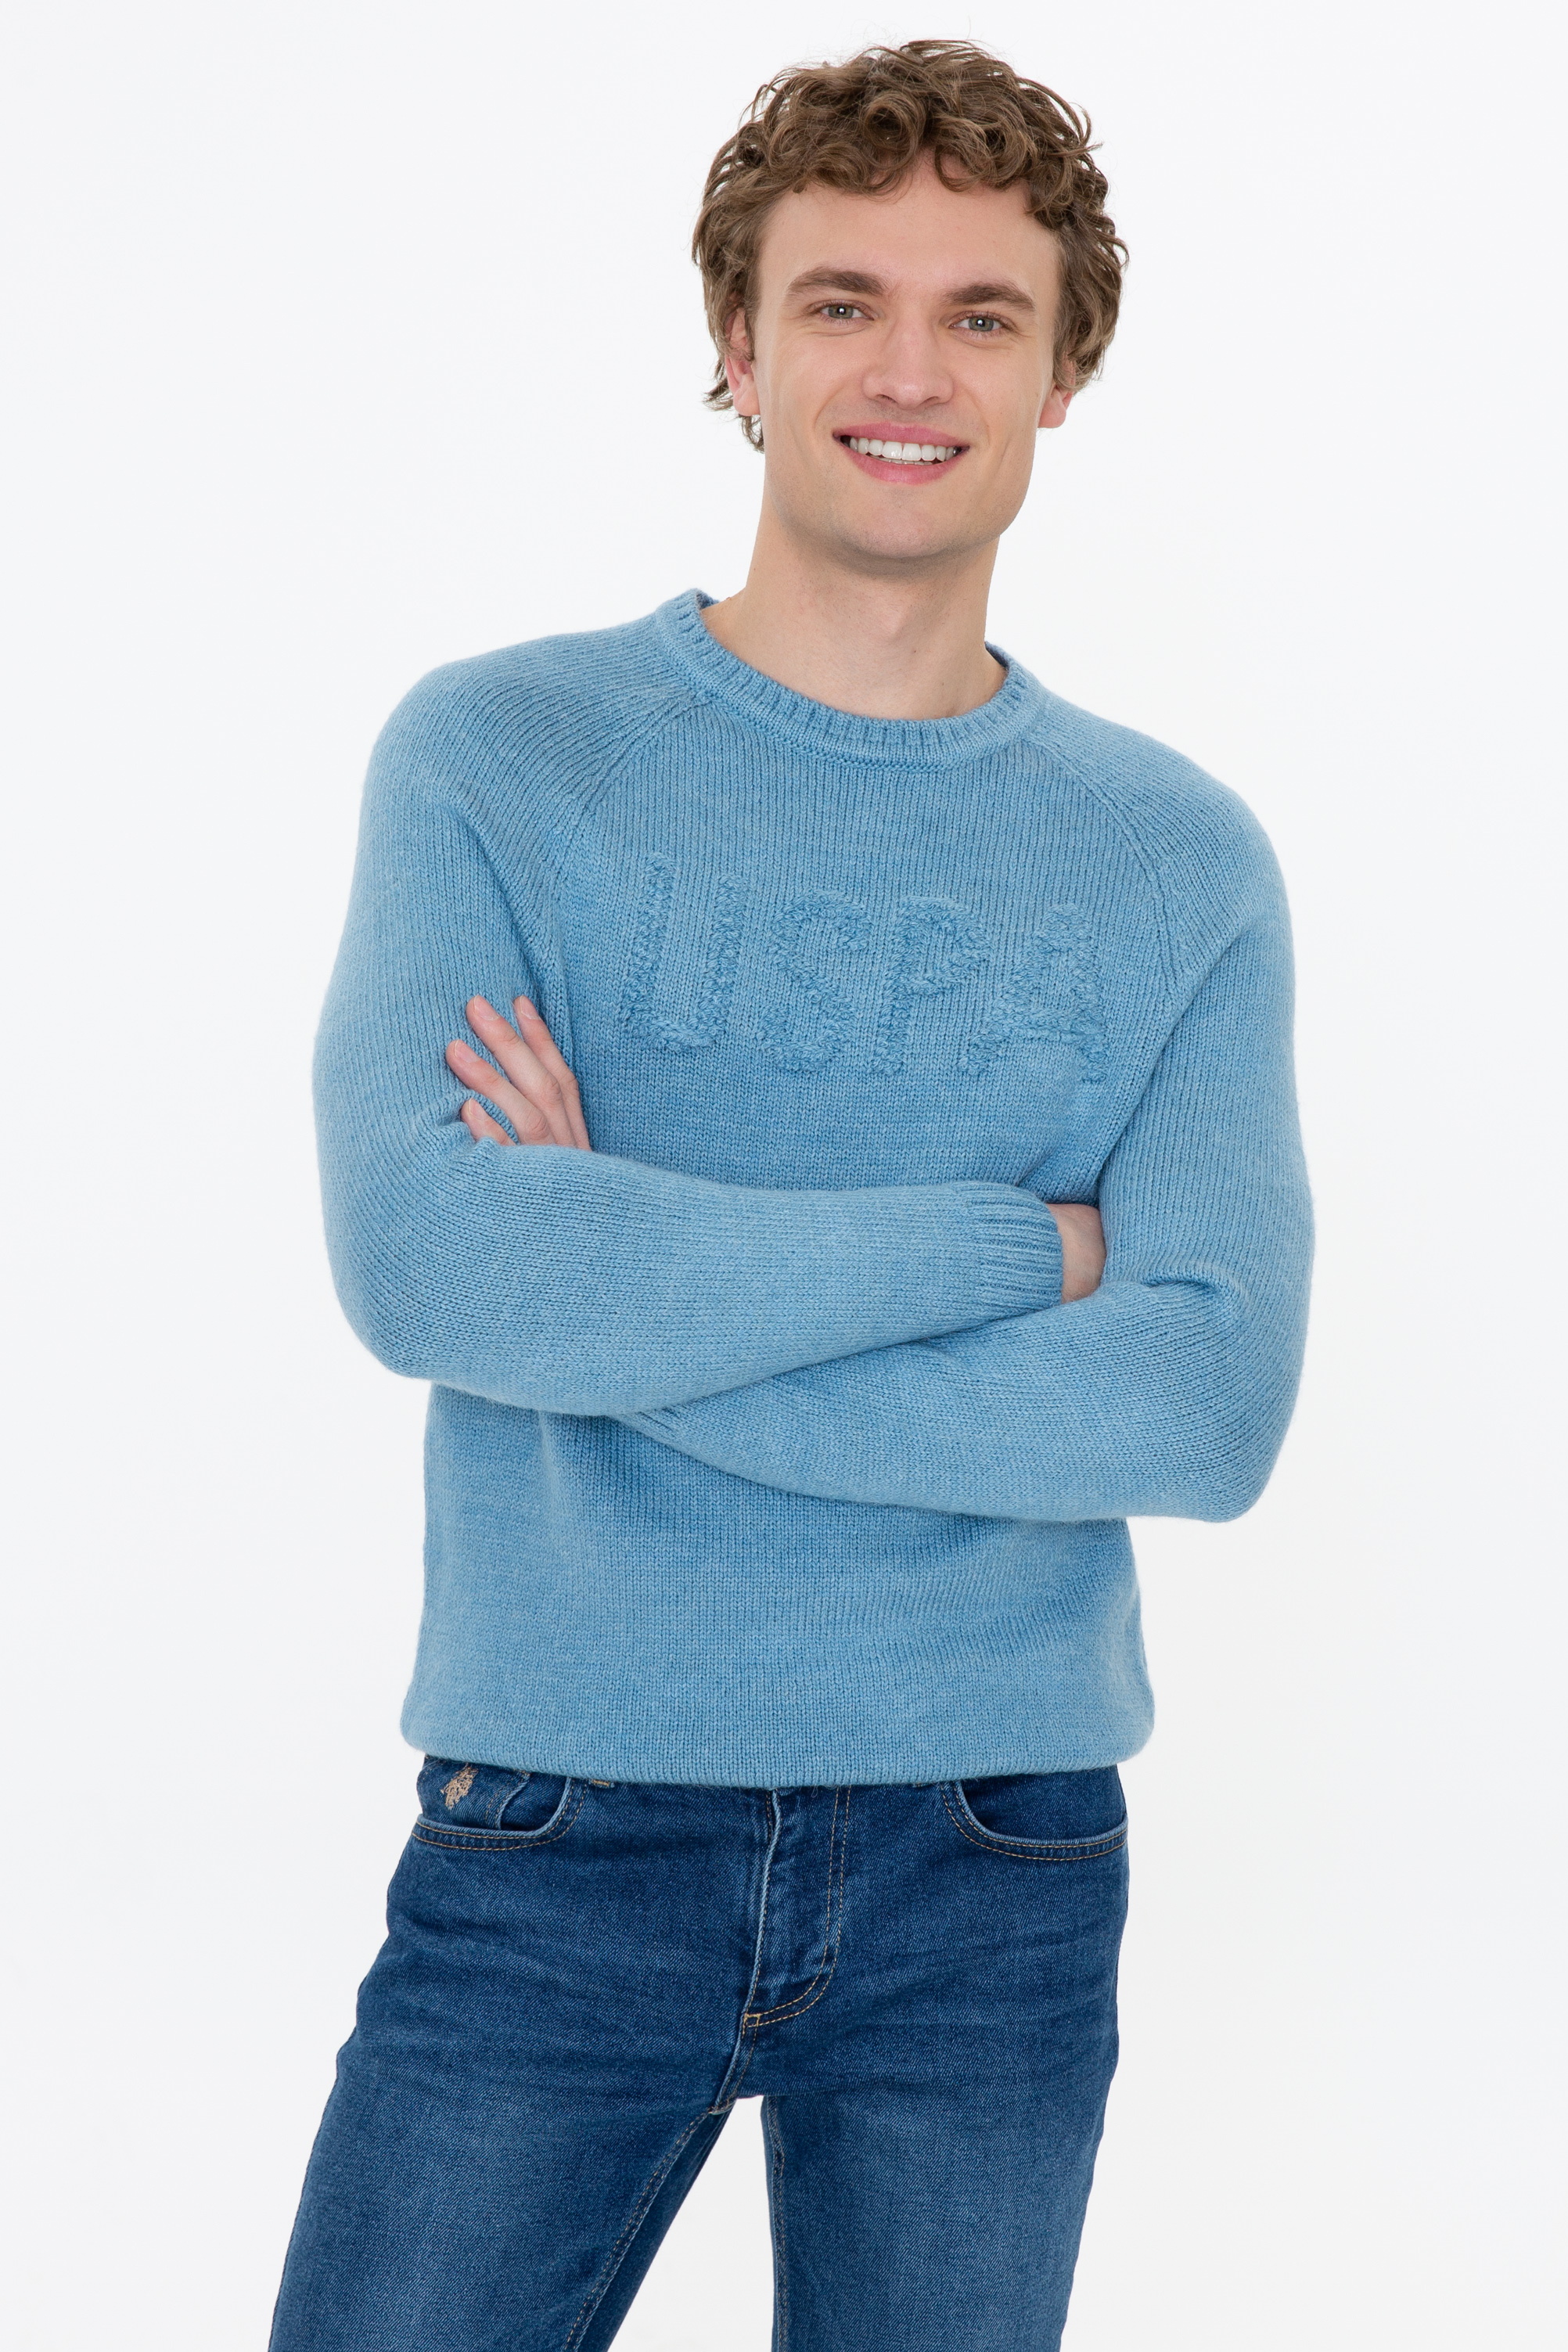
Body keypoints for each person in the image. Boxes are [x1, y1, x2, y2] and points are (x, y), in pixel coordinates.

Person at [270, 38, 1312, 2352]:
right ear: (735, 352)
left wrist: (616, 1286)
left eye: (979, 314)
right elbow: (433, 1267)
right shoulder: (500, 758)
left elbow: (1203, 1406)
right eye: (842, 303)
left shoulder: (1178, 862)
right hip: (560, 1819)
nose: (907, 372)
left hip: (995, 1847)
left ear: (1061, 376)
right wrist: (1009, 1252)